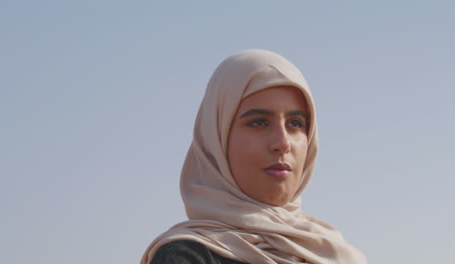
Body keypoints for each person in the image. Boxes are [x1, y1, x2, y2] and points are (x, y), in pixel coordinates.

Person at [141, 49, 366, 264]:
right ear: (217, 138)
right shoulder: (187, 257)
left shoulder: (332, 253)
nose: (283, 143)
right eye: (258, 122)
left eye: (295, 124)